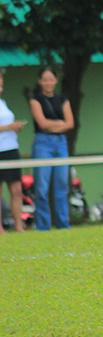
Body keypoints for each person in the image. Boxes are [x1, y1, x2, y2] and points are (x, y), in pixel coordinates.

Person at [28, 66, 74, 231]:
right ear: (40, 81)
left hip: (61, 143)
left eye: (51, 79)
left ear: (55, 81)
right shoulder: (35, 100)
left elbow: (70, 123)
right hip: (42, 144)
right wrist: (58, 124)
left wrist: (53, 126)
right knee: (41, 187)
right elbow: (42, 124)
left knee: (61, 186)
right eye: (45, 79)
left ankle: (63, 224)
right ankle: (43, 225)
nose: (48, 82)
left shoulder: (63, 100)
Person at [0, 70, 27, 234]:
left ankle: (18, 226)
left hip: (11, 148)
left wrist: (16, 127)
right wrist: (10, 127)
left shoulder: (3, 103)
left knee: (17, 190)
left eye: (1, 85)